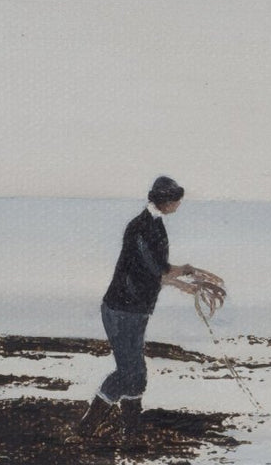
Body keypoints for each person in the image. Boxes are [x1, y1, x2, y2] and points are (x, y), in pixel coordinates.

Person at [74, 176, 226, 441]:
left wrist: (189, 271)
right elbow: (155, 271)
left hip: (136, 310)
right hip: (121, 309)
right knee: (132, 374)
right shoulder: (140, 227)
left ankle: (117, 432)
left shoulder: (155, 225)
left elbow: (161, 267)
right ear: (166, 201)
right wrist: (185, 286)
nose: (179, 204)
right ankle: (115, 432)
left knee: (132, 373)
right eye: (177, 200)